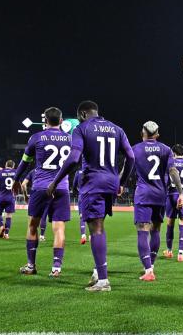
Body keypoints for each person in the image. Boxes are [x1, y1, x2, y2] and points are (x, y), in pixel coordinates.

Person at [47, 100, 135, 291]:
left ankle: (103, 280)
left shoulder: (82, 128)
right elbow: (131, 157)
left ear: (84, 114)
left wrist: (55, 181)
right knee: (99, 226)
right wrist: (122, 181)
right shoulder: (117, 129)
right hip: (110, 183)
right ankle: (97, 270)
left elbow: (73, 158)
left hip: (93, 182)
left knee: (96, 229)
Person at [13, 107, 72, 277]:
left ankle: (31, 266)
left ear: (45, 121)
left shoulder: (36, 138)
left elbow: (24, 162)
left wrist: (17, 179)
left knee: (33, 226)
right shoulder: (69, 139)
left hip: (40, 187)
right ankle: (56, 268)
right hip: (61, 187)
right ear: (61, 121)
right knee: (59, 228)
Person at [132, 121, 183, 281]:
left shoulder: (136, 149)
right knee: (155, 230)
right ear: (157, 135)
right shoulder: (166, 149)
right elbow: (173, 171)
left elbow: (127, 169)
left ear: (143, 133)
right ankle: (151, 266)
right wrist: (180, 192)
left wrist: (119, 184)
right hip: (160, 195)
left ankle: (148, 270)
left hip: (143, 194)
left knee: (142, 230)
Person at [163, 144, 183, 262]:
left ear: (173, 153)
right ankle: (180, 254)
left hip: (172, 195)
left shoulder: (170, 163)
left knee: (170, 222)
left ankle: (169, 251)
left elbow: (166, 180)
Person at [0, 160, 17, 239]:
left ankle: (1, 226)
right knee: (9, 216)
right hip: (10, 197)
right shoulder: (16, 172)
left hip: (0, 197)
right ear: (13, 166)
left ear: (5, 165)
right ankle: (6, 234)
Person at [21, 169, 48, 242]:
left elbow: (23, 184)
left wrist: (25, 196)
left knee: (32, 219)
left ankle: (31, 240)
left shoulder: (33, 171)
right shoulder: (51, 170)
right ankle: (42, 236)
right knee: (44, 216)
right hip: (47, 193)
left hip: (35, 194)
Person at [72, 167, 88, 244]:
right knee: (93, 216)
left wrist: (77, 192)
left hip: (81, 195)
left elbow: (74, 186)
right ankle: (92, 236)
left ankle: (83, 236)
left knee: (82, 216)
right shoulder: (93, 170)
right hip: (92, 195)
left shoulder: (78, 173)